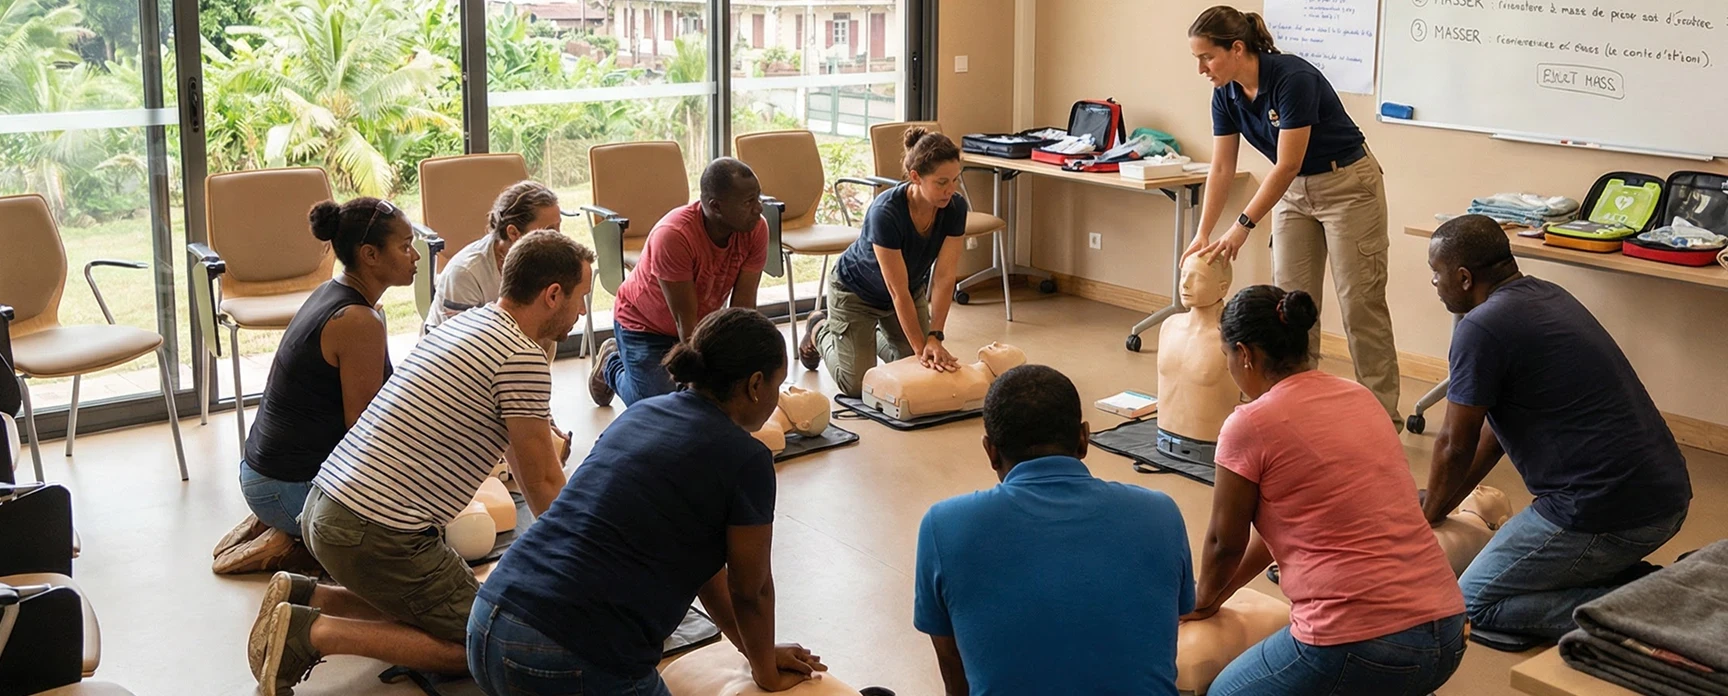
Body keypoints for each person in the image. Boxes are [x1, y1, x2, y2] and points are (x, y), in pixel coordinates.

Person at [247, 230, 594, 695]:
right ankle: (314, 633)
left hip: (324, 508)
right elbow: (544, 483)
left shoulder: (470, 323)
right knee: (490, 643)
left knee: (449, 612)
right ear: (552, 294)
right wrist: (589, 562)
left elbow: (527, 460)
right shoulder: (522, 357)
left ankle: (310, 596)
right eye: (580, 297)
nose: (583, 312)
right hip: (372, 533)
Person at [476, 308, 826, 695]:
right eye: (778, 384)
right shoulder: (747, 459)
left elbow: (705, 575)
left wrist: (755, 652)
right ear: (756, 384)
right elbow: (751, 590)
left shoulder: (640, 413)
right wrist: (767, 675)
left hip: (489, 619)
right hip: (567, 651)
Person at [1420, 214, 1691, 651]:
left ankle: (1650, 611)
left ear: (1465, 278)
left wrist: (1425, 518)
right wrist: (1441, 505)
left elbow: (1454, 445)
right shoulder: (1547, 294)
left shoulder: (1480, 327)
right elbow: (1491, 437)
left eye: (1437, 272)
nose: (1434, 283)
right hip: (1664, 497)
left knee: (1470, 604)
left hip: (1601, 511)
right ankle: (1661, 584)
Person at [1192, 285, 1465, 695]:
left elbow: (1223, 543)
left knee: (1224, 693)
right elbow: (1280, 533)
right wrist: (1217, 598)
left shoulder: (1249, 423)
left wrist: (1199, 599)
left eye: (1226, 355)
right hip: (1449, 632)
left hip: (1364, 646)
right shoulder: (1360, 397)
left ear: (1244, 354)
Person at [914, 364, 1194, 695]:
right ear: (1084, 439)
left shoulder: (943, 526)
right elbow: (1165, 630)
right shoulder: (1161, 514)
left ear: (991, 452)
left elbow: (953, 669)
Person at [1184, 5, 1403, 430]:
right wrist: (1203, 232)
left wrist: (1241, 227)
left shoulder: (1292, 78)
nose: (1201, 69)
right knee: (1290, 306)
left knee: (1360, 305)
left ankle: (1381, 419)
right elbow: (1222, 167)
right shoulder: (1226, 94)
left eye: (1207, 57)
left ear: (1237, 49)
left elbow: (1287, 163)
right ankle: (1297, 406)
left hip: (1346, 186)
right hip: (1293, 193)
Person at [212, 198, 420, 575]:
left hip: (262, 473)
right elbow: (365, 431)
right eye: (405, 246)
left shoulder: (334, 292)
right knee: (411, 532)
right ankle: (289, 543)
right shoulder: (358, 320)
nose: (416, 256)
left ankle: (279, 523)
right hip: (285, 486)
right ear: (370, 255)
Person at [800, 128, 968, 398]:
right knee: (857, 385)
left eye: (955, 180)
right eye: (941, 182)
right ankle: (819, 327)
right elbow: (896, 290)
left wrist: (935, 336)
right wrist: (920, 352)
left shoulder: (955, 207)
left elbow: (944, 277)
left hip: (907, 291)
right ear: (915, 177)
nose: (951, 190)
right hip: (855, 293)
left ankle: (869, 335)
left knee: (915, 370)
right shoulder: (885, 212)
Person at [589, 158, 768, 407]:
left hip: (701, 324)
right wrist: (706, 383)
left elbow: (743, 308)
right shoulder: (674, 235)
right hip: (645, 325)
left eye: (758, 198)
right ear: (716, 207)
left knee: (725, 392)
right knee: (658, 407)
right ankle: (611, 363)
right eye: (749, 202)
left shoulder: (755, 229)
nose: (759, 208)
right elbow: (686, 321)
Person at [424, 180, 562, 335]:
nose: (558, 238)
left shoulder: (546, 260)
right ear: (513, 233)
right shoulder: (465, 273)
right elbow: (460, 341)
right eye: (549, 231)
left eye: (558, 228)